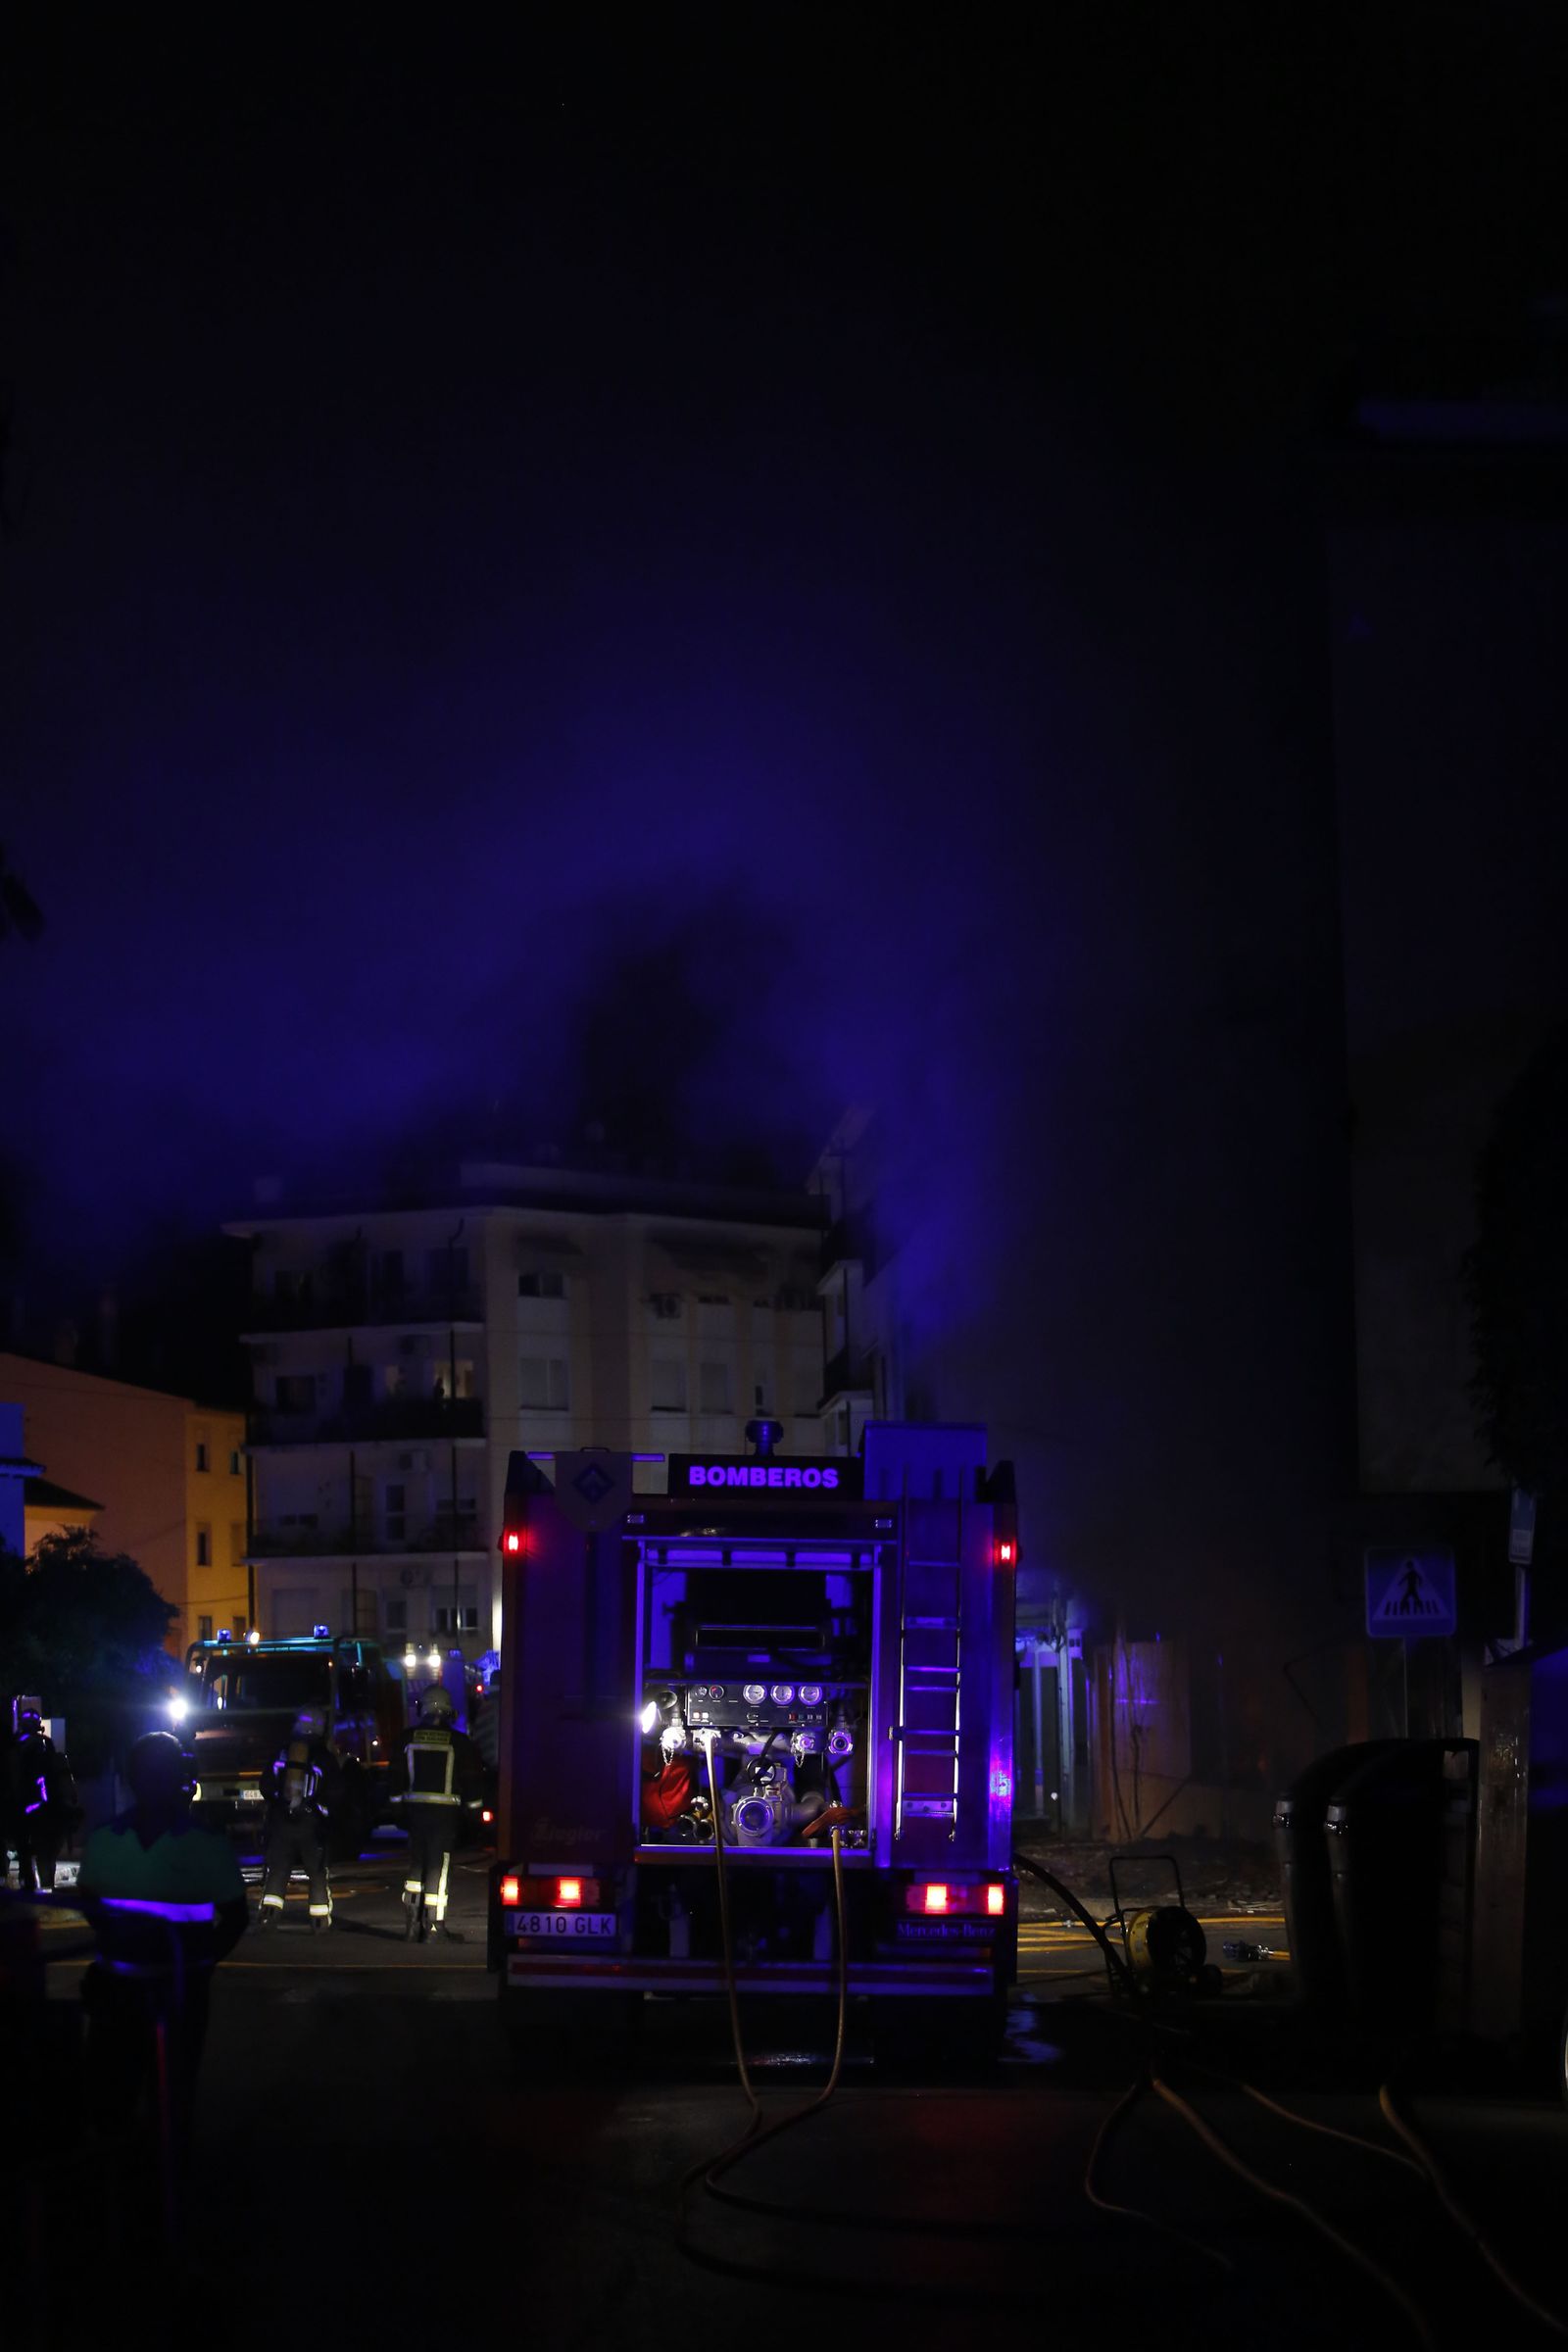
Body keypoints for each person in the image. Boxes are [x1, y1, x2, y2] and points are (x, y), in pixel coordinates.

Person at [74, 1731, 247, 2167]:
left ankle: (140, 2195)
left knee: (125, 2100)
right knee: (164, 2099)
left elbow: (91, 1906)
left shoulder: (103, 1841)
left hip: (149, 1989)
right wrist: (200, 1963)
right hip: (162, 1990)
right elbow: (235, 1917)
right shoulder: (206, 1845)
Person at [392, 1682, 484, 1940]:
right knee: (438, 1867)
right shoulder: (459, 1742)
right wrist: (475, 1813)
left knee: (416, 1865)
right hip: (444, 1816)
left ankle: (411, 1925)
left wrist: (398, 1809)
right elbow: (471, 1782)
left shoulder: (406, 1739)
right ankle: (434, 1926)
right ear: (448, 1711)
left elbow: (394, 1778)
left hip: (415, 1813)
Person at [258, 1709, 335, 1932]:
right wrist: (323, 1812)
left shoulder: (282, 1752)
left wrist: (280, 1805)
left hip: (282, 1823)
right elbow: (336, 1791)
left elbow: (266, 1786)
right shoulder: (323, 1757)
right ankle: (319, 1920)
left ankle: (268, 1916)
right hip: (311, 1824)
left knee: (279, 1869)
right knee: (317, 1872)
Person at [8, 1705, 81, 1891]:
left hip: (30, 1806)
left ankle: (36, 1885)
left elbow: (48, 1775)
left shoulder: (25, 1744)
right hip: (34, 1805)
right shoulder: (33, 1744)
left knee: (32, 1852)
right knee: (37, 1852)